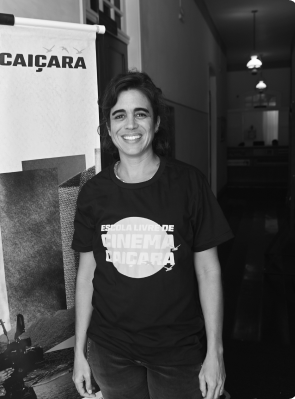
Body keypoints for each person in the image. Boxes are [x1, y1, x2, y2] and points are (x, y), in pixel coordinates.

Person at [71, 71, 234, 399]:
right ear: (108, 128)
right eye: (119, 115)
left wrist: (215, 352)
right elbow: (87, 274)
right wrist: (79, 352)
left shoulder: (189, 185)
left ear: (156, 123)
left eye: (140, 113)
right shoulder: (93, 193)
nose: (130, 125)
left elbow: (208, 270)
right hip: (111, 353)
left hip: (178, 352)